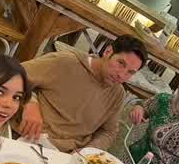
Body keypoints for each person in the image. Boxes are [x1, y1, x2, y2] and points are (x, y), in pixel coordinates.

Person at [14, 35, 147, 152]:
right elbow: (12, 75)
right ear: (108, 51)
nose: (121, 75)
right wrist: (30, 102)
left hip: (68, 155)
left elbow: (108, 132)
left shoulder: (118, 94)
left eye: (130, 72)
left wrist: (87, 152)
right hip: (27, 138)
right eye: (121, 63)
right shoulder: (66, 62)